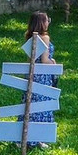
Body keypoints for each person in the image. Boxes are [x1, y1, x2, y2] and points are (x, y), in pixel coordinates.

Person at [23, 11, 57, 147]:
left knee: (29, 105)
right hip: (43, 76)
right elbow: (44, 60)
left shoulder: (30, 37)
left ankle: (25, 138)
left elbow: (30, 59)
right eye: (47, 20)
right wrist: (53, 62)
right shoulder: (45, 38)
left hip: (32, 74)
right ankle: (39, 139)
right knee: (42, 105)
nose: (48, 22)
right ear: (42, 23)